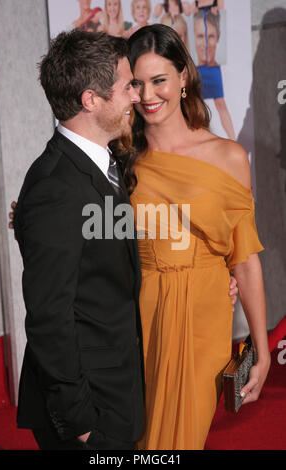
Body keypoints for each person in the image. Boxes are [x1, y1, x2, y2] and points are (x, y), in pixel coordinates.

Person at [125, 24, 270, 450]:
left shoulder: (228, 156)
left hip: (205, 315)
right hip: (136, 317)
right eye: (137, 83)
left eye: (159, 80)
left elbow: (244, 257)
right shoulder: (120, 157)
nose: (149, 95)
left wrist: (261, 352)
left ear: (184, 77)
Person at [12, 29, 144, 451]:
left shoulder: (104, 162)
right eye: (126, 87)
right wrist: (82, 425)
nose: (135, 98)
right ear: (91, 100)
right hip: (88, 410)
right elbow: (50, 318)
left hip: (116, 387)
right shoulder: (55, 188)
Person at [193, 9, 236, 140]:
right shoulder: (189, 71)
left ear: (218, 37)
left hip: (212, 68)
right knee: (194, 104)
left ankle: (233, 140)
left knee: (220, 103)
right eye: (200, 36)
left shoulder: (216, 69)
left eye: (210, 36)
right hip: (196, 68)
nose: (205, 44)